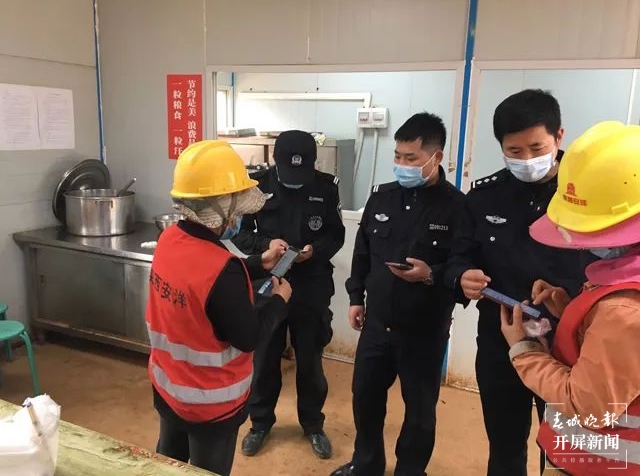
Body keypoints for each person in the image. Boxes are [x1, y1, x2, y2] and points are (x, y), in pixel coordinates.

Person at [444, 89, 594, 476]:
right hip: (502, 344)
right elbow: (458, 257)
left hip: (571, 346)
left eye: (536, 147)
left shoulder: (589, 192)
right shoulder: (485, 197)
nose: (526, 159)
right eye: (514, 151)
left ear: (559, 136)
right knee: (505, 447)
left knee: (568, 453)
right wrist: (462, 276)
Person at [500, 121, 640, 475]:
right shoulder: (621, 291)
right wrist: (575, 317)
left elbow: (588, 407)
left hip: (600, 463)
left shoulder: (624, 310)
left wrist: (524, 350)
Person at [145, 140, 292, 476]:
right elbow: (248, 337)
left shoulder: (169, 240)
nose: (238, 216)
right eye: (235, 206)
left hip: (168, 388)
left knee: (168, 464)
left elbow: (202, 284)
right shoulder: (221, 268)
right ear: (221, 208)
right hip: (211, 405)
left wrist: (257, 262)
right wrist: (278, 302)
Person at [330, 112, 464, 476]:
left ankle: (411, 470)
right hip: (377, 324)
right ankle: (366, 464)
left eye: (411, 158)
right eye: (397, 156)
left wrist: (431, 275)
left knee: (420, 410)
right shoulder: (383, 198)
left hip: (424, 330)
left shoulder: (456, 207)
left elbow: (462, 265)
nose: (402, 165)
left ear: (436, 157)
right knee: (365, 398)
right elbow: (362, 252)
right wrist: (355, 297)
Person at [232, 130, 345, 459]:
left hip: (311, 285)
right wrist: (266, 246)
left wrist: (314, 251)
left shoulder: (326, 188)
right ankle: (260, 423)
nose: (296, 179)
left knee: (310, 360)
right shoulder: (257, 185)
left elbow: (336, 235)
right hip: (269, 283)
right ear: (275, 162)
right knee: (265, 357)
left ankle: (313, 425)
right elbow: (241, 236)